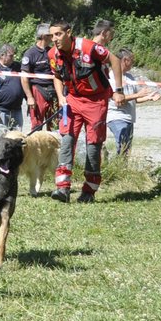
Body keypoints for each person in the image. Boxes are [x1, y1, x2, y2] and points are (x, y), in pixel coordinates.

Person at [48, 17, 122, 203]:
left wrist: (119, 90)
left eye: (58, 34)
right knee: (66, 140)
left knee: (92, 146)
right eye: (52, 36)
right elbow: (57, 76)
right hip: (72, 100)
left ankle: (89, 191)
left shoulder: (88, 47)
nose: (55, 39)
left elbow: (115, 60)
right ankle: (62, 188)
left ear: (68, 33)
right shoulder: (52, 54)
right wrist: (60, 96)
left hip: (96, 100)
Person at [104, 47, 161, 157]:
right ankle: (115, 168)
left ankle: (122, 170)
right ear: (125, 60)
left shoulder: (130, 77)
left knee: (126, 150)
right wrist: (138, 94)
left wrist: (149, 97)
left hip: (129, 119)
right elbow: (118, 100)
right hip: (117, 117)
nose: (133, 63)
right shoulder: (111, 77)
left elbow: (135, 99)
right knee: (122, 146)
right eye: (132, 60)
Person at [20, 23, 55, 130]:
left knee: (54, 124)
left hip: (53, 90)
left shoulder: (53, 51)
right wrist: (30, 97)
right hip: (38, 90)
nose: (53, 37)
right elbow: (24, 77)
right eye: (51, 35)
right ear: (44, 36)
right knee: (37, 125)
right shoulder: (30, 53)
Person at [0, 43, 25, 131]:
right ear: (2, 55)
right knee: (3, 136)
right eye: (11, 55)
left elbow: (25, 83)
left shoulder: (18, 66)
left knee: (18, 138)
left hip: (17, 109)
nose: (13, 57)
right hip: (2, 110)